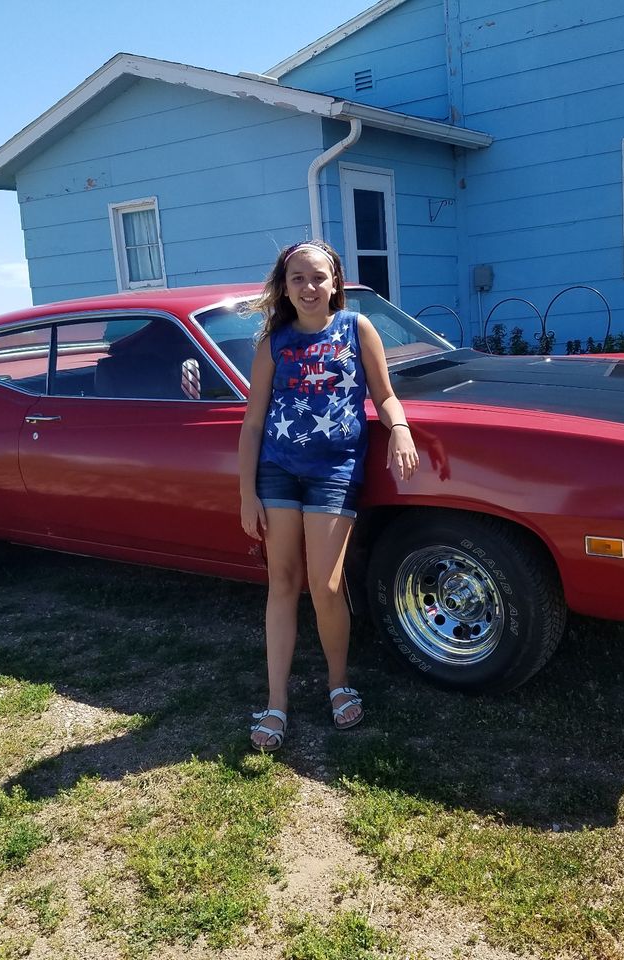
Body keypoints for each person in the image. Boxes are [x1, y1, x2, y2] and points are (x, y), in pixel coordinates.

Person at [237, 239, 420, 752]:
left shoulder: (356, 329)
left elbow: (383, 394)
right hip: (277, 470)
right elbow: (253, 424)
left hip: (334, 472)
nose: (309, 286)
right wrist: (246, 493)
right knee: (282, 582)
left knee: (326, 583)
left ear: (335, 281)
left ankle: (338, 683)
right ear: (285, 287)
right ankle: (276, 702)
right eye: (298, 278)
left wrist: (399, 427)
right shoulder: (274, 341)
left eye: (318, 276)